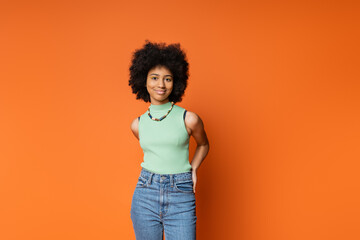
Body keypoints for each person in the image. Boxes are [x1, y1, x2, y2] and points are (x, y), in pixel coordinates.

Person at [128, 40, 209, 240]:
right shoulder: (137, 125)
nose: (161, 85)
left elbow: (204, 144)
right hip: (145, 192)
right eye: (154, 78)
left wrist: (194, 168)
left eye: (167, 79)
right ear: (143, 80)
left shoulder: (189, 118)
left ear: (176, 82)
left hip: (180, 193)